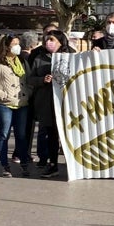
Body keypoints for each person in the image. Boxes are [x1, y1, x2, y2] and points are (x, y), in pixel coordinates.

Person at [0, 34, 33, 178]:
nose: (17, 46)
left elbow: (29, 80)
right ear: (6, 46)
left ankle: (24, 163)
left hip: (22, 104)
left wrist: (28, 93)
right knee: (4, 135)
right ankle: (5, 166)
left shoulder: (23, 62)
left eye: (18, 43)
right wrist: (2, 94)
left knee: (22, 136)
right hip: (4, 105)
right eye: (14, 44)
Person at [29, 30, 74, 178]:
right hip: (46, 103)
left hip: (67, 103)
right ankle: (53, 164)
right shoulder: (39, 58)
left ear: (61, 42)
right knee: (52, 135)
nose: (49, 42)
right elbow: (30, 79)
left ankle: (74, 164)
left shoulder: (71, 57)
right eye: (47, 39)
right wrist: (42, 80)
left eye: (52, 39)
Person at [11, 31, 39, 164]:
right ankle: (21, 153)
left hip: (18, 95)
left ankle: (22, 153)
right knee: (26, 128)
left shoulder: (17, 56)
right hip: (28, 96)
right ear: (34, 44)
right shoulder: (30, 57)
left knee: (22, 127)